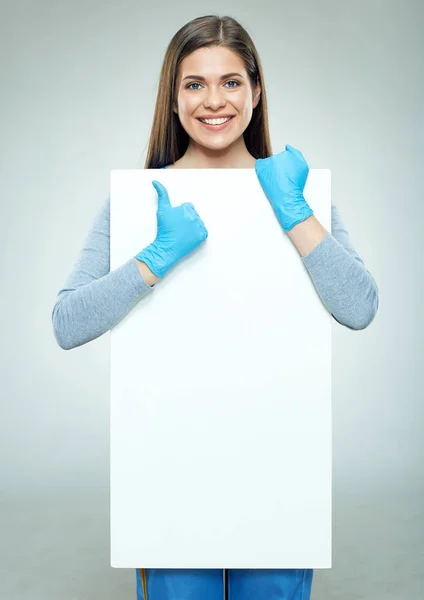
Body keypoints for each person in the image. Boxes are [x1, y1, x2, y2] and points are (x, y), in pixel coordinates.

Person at [51, 13, 379, 600]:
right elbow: (67, 323)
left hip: (279, 473)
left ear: (256, 92)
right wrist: (155, 257)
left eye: (231, 81)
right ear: (173, 99)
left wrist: (293, 213)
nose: (214, 101)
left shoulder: (297, 192)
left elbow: (358, 307)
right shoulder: (136, 200)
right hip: (170, 473)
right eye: (194, 84)